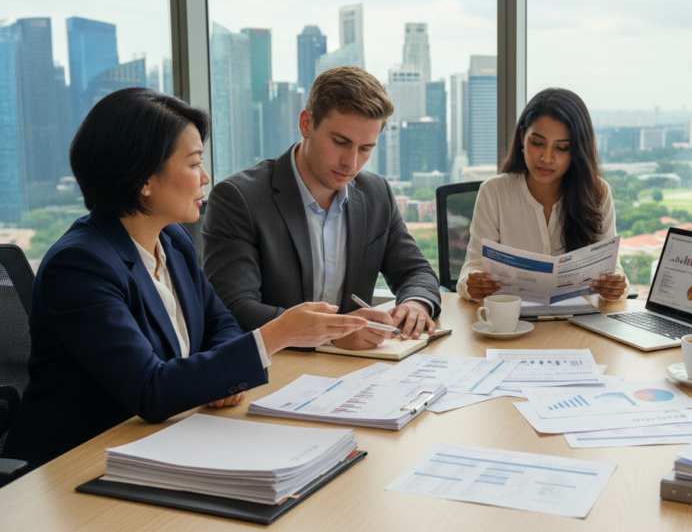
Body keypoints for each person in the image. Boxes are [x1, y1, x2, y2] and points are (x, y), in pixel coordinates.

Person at [2, 89, 369, 470]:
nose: (206, 177)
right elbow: (150, 389)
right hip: (77, 464)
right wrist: (278, 334)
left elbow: (219, 323)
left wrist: (226, 379)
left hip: (161, 442)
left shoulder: (172, 239)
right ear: (143, 178)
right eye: (194, 164)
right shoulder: (79, 265)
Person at [202, 66, 441, 348]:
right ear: (306, 123)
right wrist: (334, 333)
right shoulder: (240, 198)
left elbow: (415, 271)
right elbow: (235, 308)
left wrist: (415, 304)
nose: (351, 162)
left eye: (365, 148)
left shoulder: (376, 193)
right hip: (274, 369)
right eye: (340, 142)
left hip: (350, 371)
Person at [457, 88, 630, 302]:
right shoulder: (494, 192)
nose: (547, 158)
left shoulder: (597, 193)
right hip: (514, 323)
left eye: (562, 147)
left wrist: (615, 286)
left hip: (578, 324)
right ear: (522, 138)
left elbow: (612, 270)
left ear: (577, 150)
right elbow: (471, 269)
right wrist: (471, 284)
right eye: (537, 143)